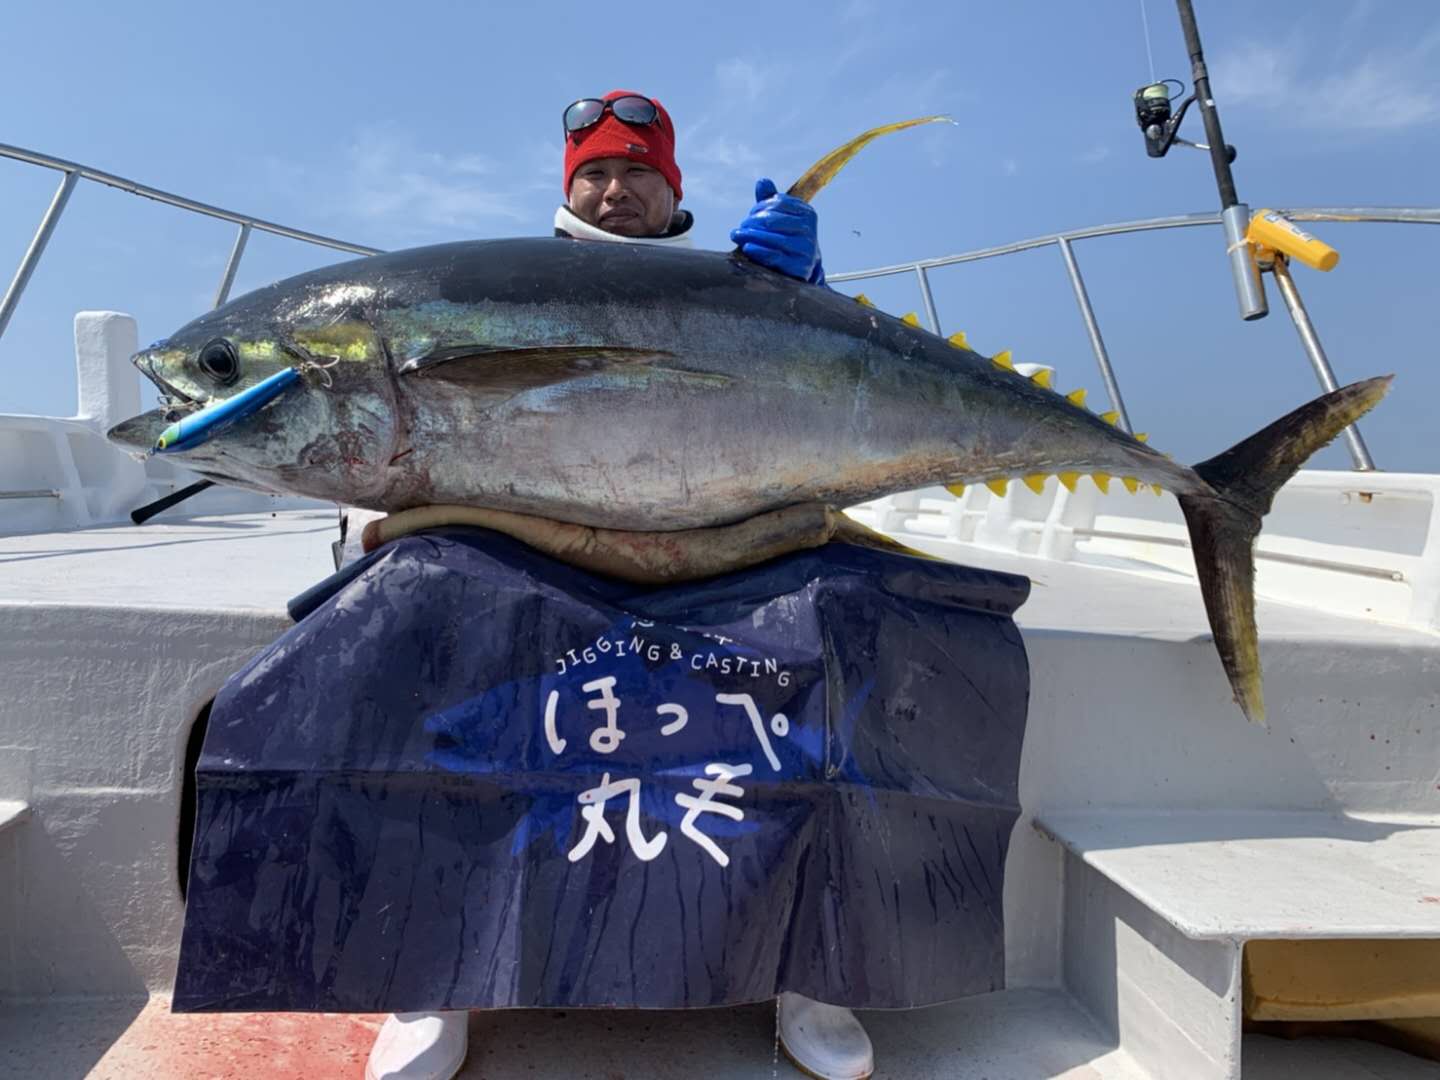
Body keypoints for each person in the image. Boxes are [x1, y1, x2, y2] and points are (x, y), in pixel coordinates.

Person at [364, 90, 872, 1080]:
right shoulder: (499, 287)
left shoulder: (737, 281)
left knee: (835, 640)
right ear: (569, 189)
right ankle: (435, 980)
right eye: (594, 172)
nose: (613, 188)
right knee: (416, 640)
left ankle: (812, 972)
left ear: (672, 189)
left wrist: (807, 292)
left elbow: (819, 394)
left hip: (715, 542)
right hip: (541, 550)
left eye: (638, 172)